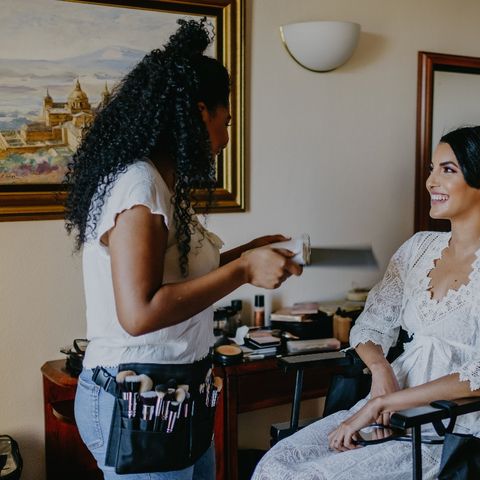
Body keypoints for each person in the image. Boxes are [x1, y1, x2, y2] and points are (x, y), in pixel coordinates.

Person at [65, 19, 302, 480]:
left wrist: (245, 254)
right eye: (225, 122)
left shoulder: (158, 183)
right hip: (136, 401)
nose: (227, 138)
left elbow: (174, 277)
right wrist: (243, 272)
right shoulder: (138, 185)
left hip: (175, 395)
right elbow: (139, 313)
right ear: (198, 112)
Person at [252, 126, 480, 480]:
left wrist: (383, 403)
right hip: (390, 410)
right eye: (431, 169)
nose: (431, 182)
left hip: (454, 430)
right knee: (275, 465)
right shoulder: (418, 248)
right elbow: (372, 326)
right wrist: (381, 371)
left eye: (447, 170)